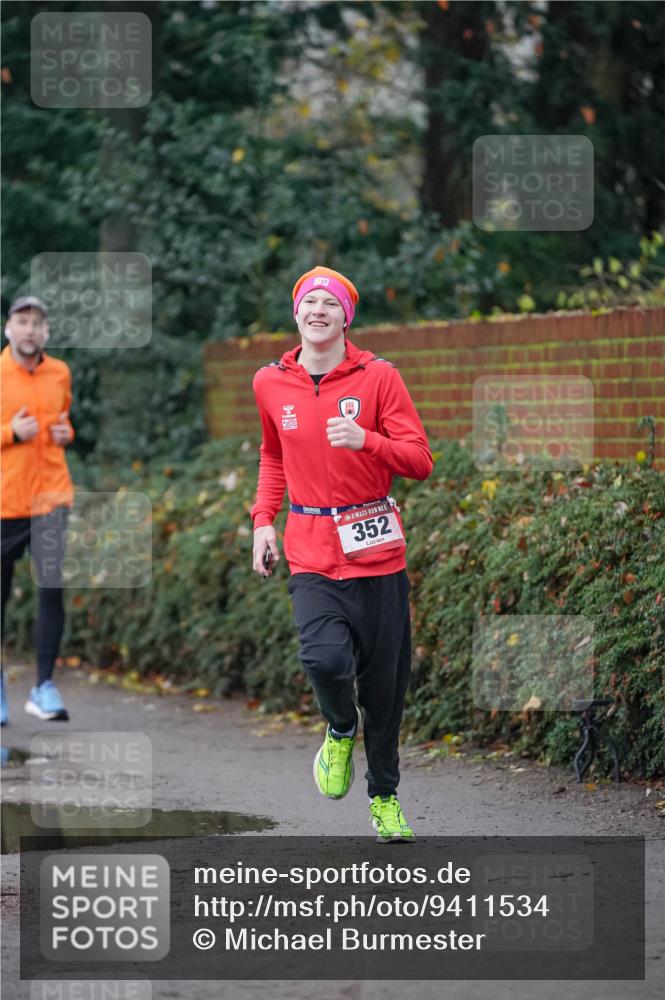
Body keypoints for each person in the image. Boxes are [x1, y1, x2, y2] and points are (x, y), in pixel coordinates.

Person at [251, 265, 433, 842]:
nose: (319, 310)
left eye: (331, 303)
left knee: (384, 691)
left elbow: (420, 459)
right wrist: (263, 522)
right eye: (310, 301)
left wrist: (368, 441)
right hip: (310, 549)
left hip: (377, 554)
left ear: (346, 318)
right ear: (296, 313)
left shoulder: (379, 377)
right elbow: (273, 456)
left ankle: (384, 798)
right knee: (324, 660)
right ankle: (338, 727)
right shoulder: (270, 383)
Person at [1, 295, 75, 725]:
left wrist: (67, 432)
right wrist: (10, 431)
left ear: (45, 332)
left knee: (51, 589)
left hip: (51, 497)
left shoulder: (60, 372)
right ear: (8, 328)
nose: (30, 330)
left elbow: (62, 420)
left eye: (37, 323)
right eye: (23, 321)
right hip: (5, 500)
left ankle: (43, 686)